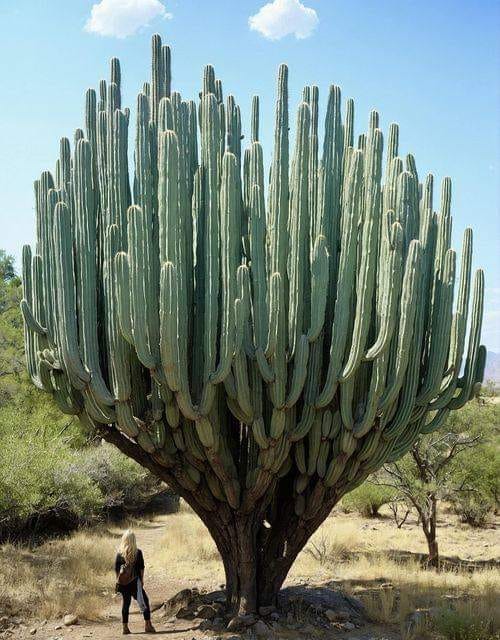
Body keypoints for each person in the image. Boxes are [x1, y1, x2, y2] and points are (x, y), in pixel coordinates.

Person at [115, 529, 156, 635]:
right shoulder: (138, 552)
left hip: (123, 584)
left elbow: (116, 569)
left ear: (124, 539)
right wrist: (142, 580)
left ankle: (125, 628)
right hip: (134, 583)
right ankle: (148, 625)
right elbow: (141, 568)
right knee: (144, 601)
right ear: (133, 540)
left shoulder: (119, 553)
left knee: (126, 603)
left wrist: (120, 581)